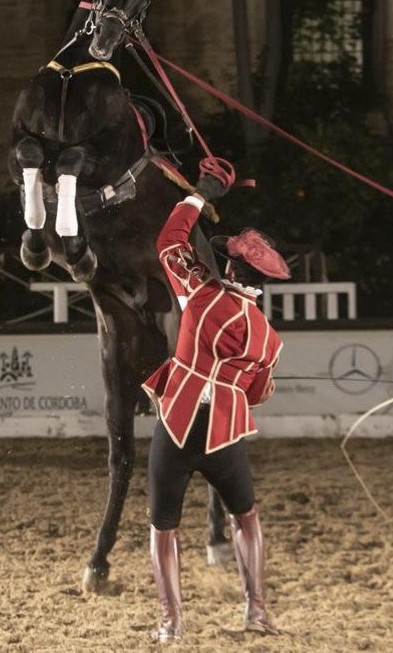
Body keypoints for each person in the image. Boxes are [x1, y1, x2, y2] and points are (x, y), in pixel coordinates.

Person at [141, 192, 290, 642]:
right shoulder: (268, 337)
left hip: (179, 426)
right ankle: (256, 611)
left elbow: (169, 242)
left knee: (163, 524)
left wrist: (195, 196)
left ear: (229, 268)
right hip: (223, 435)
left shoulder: (199, 296)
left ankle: (171, 622)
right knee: (246, 517)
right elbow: (257, 393)